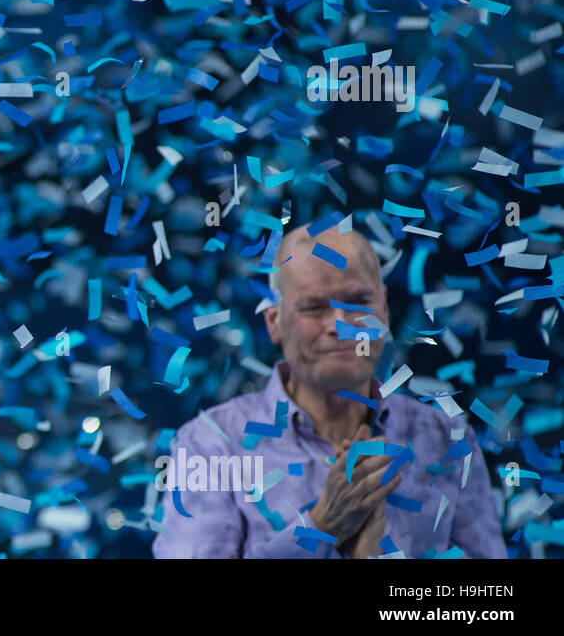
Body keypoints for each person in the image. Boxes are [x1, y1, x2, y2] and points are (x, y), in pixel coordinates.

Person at [152, 222, 506, 558]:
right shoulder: (210, 445)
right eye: (314, 307)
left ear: (383, 310)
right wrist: (322, 527)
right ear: (274, 322)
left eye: (358, 303)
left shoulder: (449, 441)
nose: (340, 326)